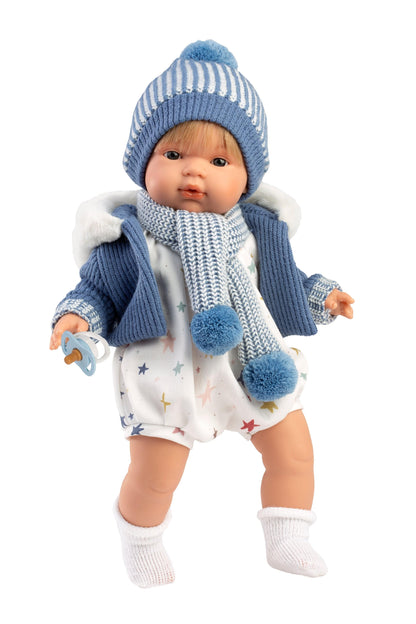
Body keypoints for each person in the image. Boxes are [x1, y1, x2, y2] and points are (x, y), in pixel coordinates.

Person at [50, 40, 354, 588]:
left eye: (218, 161)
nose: (194, 172)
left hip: (248, 366)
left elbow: (283, 283)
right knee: (154, 477)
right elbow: (97, 290)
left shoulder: (256, 234)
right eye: (173, 155)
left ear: (247, 178)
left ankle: (288, 534)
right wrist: (78, 319)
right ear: (143, 163)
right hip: (163, 377)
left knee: (295, 452)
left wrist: (324, 296)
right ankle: (140, 537)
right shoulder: (132, 240)